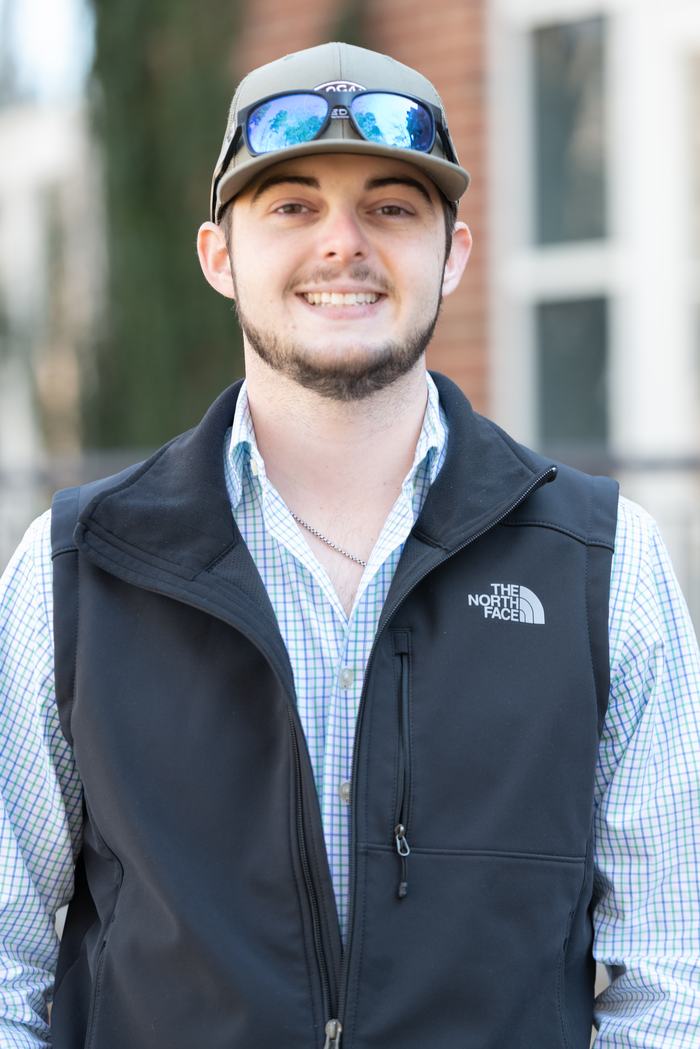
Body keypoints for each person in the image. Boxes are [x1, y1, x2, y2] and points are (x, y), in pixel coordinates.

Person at [0, 40, 698, 1049]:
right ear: (219, 256)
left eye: (392, 207)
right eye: (292, 206)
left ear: (452, 253)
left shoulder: (602, 564)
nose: (343, 244)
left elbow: (673, 987)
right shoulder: (75, 570)